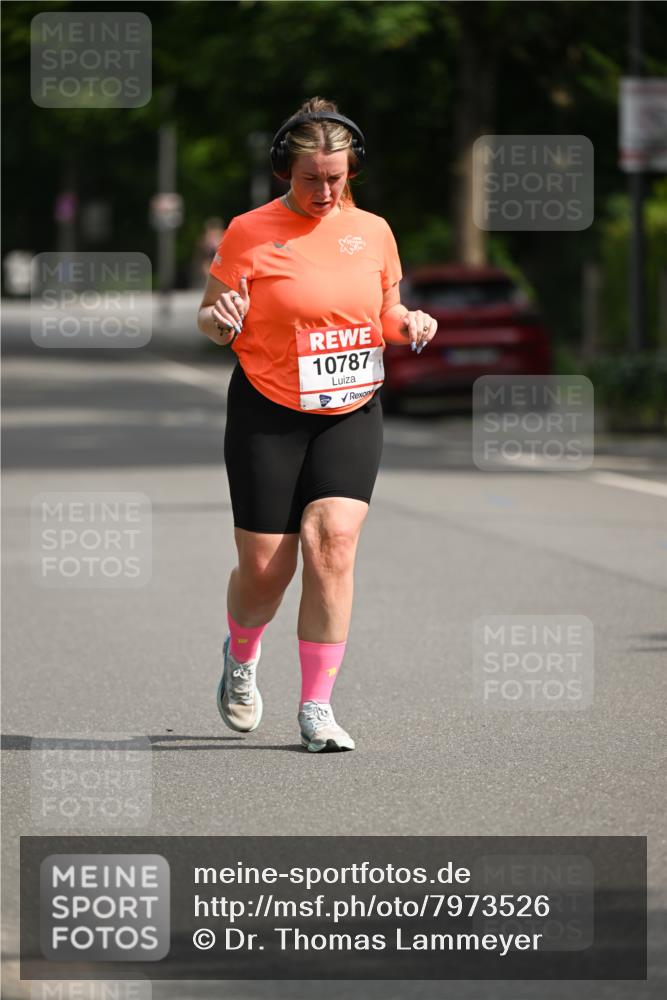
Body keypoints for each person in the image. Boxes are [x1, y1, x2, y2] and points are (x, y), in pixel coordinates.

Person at [196, 96, 437, 752]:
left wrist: (407, 322)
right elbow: (211, 316)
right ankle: (241, 659)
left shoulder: (376, 232)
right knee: (266, 571)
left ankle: (316, 709)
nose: (325, 190)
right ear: (284, 171)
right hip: (267, 407)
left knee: (332, 543)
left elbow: (383, 311)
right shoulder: (249, 231)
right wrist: (220, 323)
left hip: (351, 407)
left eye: (336, 177)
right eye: (311, 179)